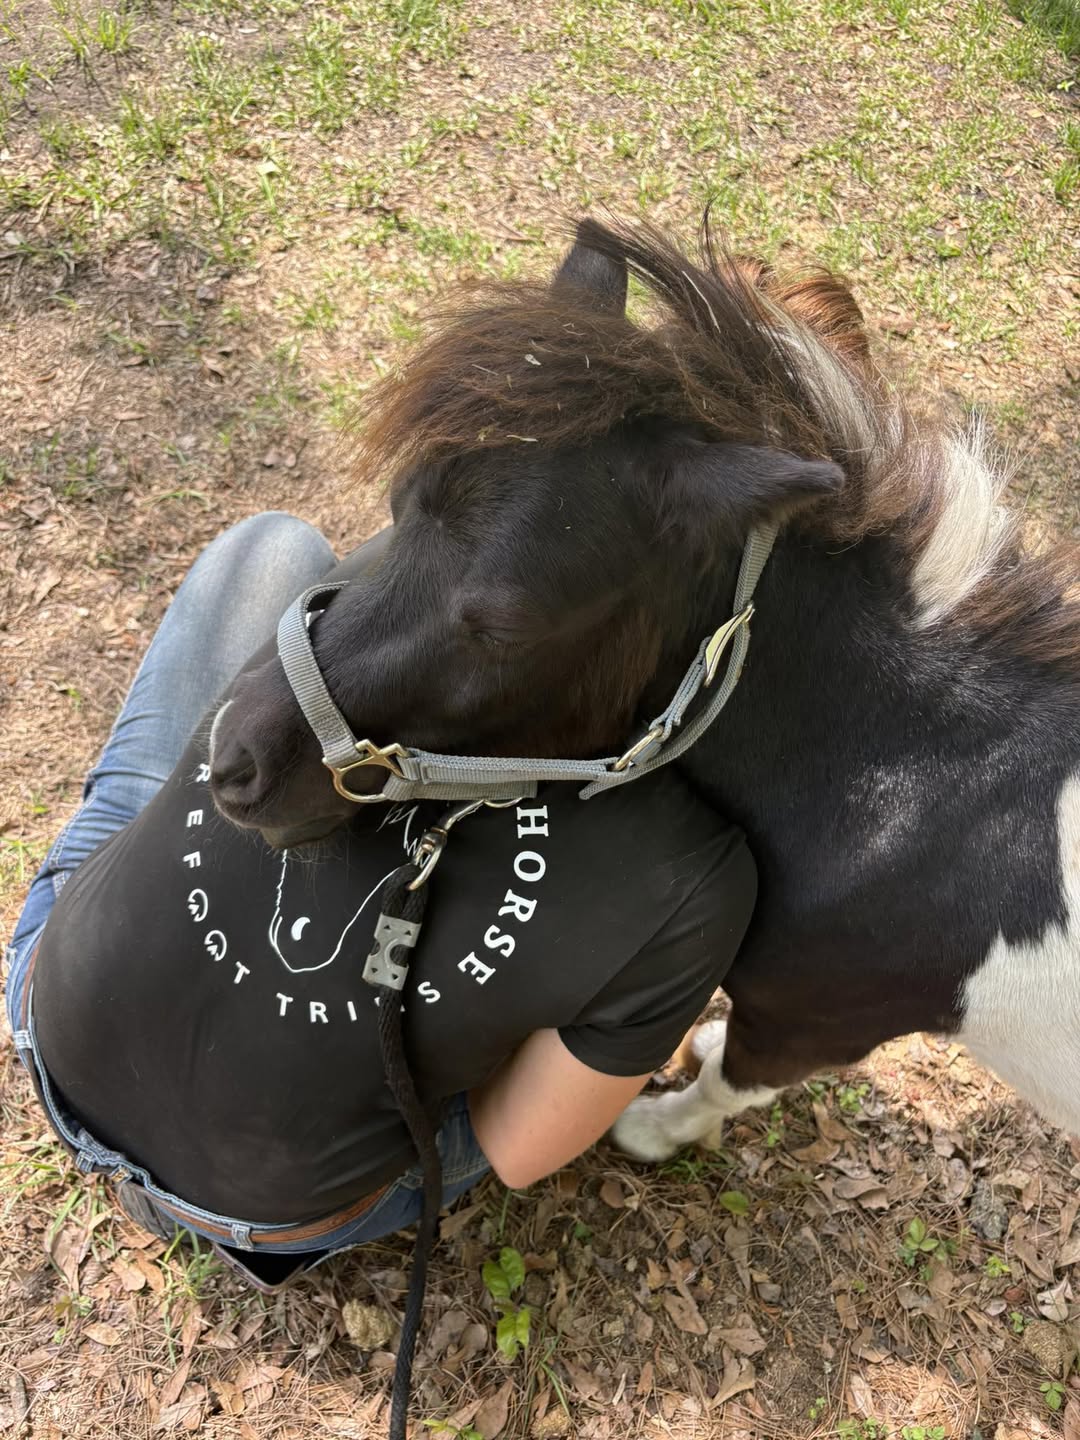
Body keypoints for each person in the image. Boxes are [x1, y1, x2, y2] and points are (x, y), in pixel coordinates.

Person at [4, 513, 757, 1292]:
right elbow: (514, 1149)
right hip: (270, 1216)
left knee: (273, 550)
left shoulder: (397, 570)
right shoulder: (699, 879)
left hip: (53, 1032)